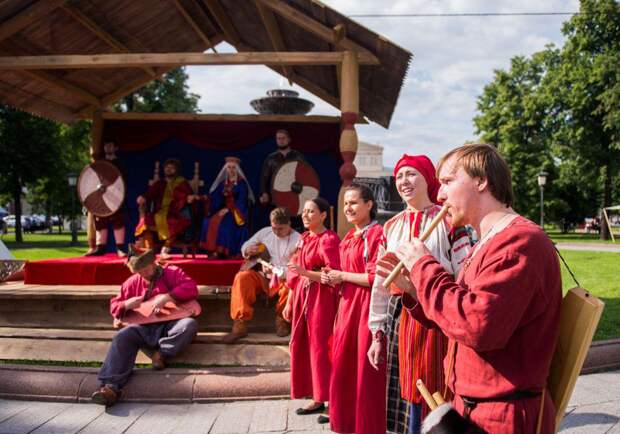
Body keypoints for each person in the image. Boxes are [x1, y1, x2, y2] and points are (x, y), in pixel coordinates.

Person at [385, 144, 561, 433]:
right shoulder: (489, 242)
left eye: (447, 182)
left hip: (503, 416)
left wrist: (424, 267)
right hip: (476, 409)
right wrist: (415, 290)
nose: (439, 194)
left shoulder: (518, 242)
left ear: (481, 181)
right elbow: (458, 315)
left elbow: (478, 326)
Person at [367, 154, 471, 434]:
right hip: (401, 316)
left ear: (428, 179)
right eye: (400, 176)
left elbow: (465, 274)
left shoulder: (450, 221)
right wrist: (377, 334)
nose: (404, 181)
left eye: (412, 174)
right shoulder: (390, 227)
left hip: (440, 314)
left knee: (439, 381)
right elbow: (380, 283)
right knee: (409, 385)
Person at [91, 246, 199, 407]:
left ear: (153, 263)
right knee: (123, 336)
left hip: (171, 325)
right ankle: (110, 388)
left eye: (145, 270)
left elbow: (191, 288)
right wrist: (126, 305)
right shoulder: (132, 282)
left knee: (188, 325)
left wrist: (167, 297)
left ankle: (161, 354)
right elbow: (115, 305)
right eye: (138, 272)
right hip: (143, 328)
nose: (142, 274)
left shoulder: (172, 272)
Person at [324, 183, 386, 433]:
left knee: (364, 370)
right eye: (345, 204)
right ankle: (346, 423)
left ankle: (367, 427)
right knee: (343, 365)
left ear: (369, 205)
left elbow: (375, 279)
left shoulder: (377, 234)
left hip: (367, 307)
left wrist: (342, 275)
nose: (348, 208)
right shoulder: (348, 237)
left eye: (353, 203)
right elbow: (343, 276)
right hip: (347, 306)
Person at [283, 197, 340, 416]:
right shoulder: (305, 238)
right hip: (302, 296)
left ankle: (332, 400)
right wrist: (289, 300)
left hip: (322, 298)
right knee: (305, 345)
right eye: (304, 211)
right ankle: (317, 396)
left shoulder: (328, 239)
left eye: (311, 211)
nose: (305, 215)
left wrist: (306, 273)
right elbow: (294, 270)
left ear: (324, 215)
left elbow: (334, 274)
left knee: (321, 346)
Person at [222, 207, 301, 343]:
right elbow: (246, 245)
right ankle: (240, 323)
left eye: (280, 229)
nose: (276, 232)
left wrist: (276, 271)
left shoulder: (298, 240)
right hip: (264, 278)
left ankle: (282, 320)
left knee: (293, 284)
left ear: (289, 224)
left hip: (284, 280)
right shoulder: (266, 232)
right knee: (242, 277)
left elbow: (297, 269)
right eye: (274, 228)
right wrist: (247, 249)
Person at [134, 159, 194, 260]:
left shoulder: (182, 182)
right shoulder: (160, 183)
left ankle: (164, 251)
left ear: (176, 170)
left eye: (172, 168)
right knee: (146, 221)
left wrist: (189, 198)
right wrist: (143, 198)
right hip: (159, 212)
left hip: (175, 212)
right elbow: (150, 194)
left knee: (174, 222)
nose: (169, 169)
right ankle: (149, 251)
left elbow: (188, 195)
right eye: (167, 167)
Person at [200, 157, 254, 258]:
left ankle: (224, 251)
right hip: (223, 210)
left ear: (237, 169)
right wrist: (206, 198)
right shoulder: (223, 183)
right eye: (229, 167)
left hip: (236, 212)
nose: (231, 170)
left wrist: (229, 209)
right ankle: (213, 250)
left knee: (225, 223)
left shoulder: (241, 183)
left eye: (233, 167)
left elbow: (242, 201)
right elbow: (215, 196)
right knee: (208, 221)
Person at [85, 139, 127, 257]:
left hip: (116, 196)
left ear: (115, 148)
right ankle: (100, 248)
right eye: (106, 146)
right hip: (101, 196)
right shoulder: (100, 163)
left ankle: (120, 249)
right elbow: (94, 179)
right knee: (100, 221)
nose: (107, 148)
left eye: (110, 145)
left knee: (117, 221)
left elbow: (122, 181)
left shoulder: (120, 164)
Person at [259, 129, 306, 206]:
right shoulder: (271, 158)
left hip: (294, 195)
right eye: (278, 138)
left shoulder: (298, 156)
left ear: (289, 139)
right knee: (278, 217)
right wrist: (264, 193)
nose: (281, 141)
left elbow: (305, 175)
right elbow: (264, 177)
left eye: (283, 138)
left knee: (293, 217)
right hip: (276, 196)